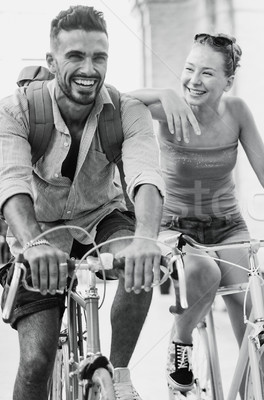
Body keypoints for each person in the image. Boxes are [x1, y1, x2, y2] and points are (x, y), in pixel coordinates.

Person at [127, 33, 264, 393]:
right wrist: (163, 93)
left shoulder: (238, 111)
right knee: (204, 271)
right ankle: (181, 342)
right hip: (175, 226)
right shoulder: (168, 109)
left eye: (207, 73)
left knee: (251, 316)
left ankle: (256, 393)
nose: (193, 81)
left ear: (228, 81)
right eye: (188, 69)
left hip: (228, 226)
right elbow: (118, 103)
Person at [0, 6, 165, 400]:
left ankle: (118, 378)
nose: (89, 68)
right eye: (75, 56)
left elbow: (145, 175)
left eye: (99, 57)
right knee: (37, 358)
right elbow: (12, 182)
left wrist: (146, 237)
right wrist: (34, 244)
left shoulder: (128, 112)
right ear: (51, 61)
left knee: (141, 258)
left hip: (100, 219)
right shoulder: (17, 109)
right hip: (38, 230)